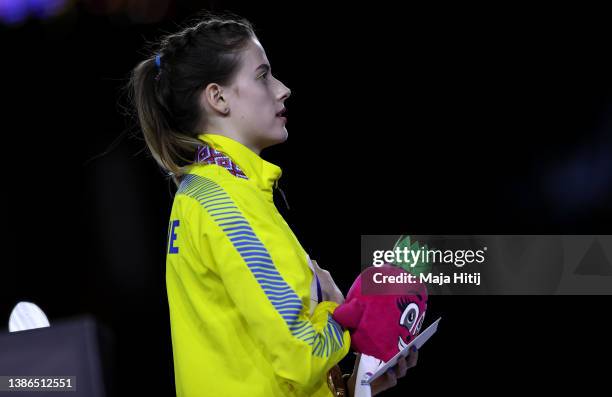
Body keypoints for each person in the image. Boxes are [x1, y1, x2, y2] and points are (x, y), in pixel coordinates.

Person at [128, 12, 417, 397]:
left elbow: (266, 363)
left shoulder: (222, 192)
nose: (282, 89)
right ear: (218, 97)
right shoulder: (224, 203)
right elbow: (302, 352)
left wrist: (353, 388)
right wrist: (351, 314)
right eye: (263, 76)